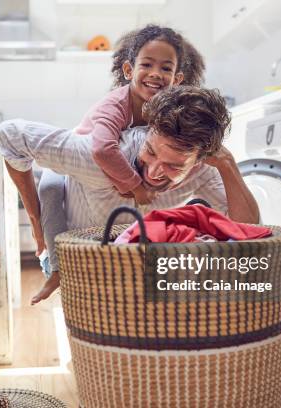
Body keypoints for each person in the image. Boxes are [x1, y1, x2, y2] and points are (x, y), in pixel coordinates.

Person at [0, 86, 260, 305]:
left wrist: (227, 164)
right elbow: (11, 135)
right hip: (72, 259)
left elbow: (247, 231)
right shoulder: (98, 158)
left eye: (174, 166)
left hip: (126, 265)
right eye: (151, 151)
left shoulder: (204, 170)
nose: (155, 171)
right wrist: (36, 224)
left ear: (199, 161)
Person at [35, 25, 206, 283]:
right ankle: (54, 263)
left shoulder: (165, 111)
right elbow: (102, 148)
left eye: (166, 69)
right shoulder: (117, 104)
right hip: (70, 161)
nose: (156, 75)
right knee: (48, 188)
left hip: (114, 192)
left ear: (177, 79)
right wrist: (136, 186)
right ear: (129, 70)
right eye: (147, 65)